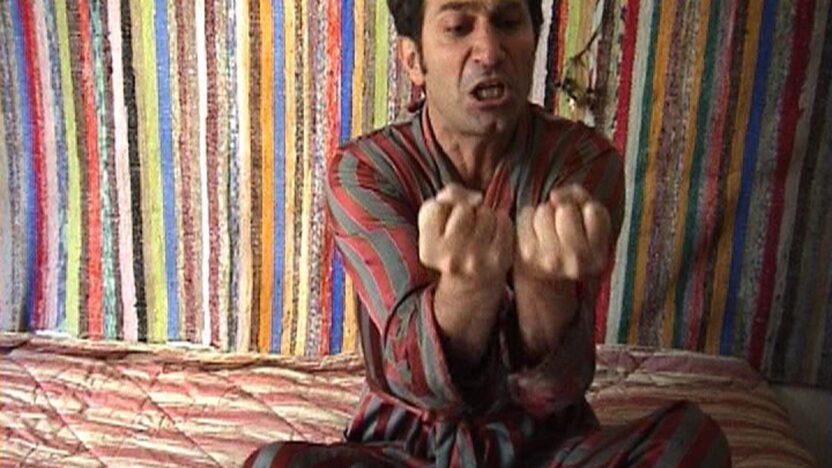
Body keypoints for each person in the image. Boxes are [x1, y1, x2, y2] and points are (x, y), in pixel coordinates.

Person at [246, 0, 731, 466]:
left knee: (691, 442)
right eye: (458, 27)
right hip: (403, 447)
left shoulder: (582, 162)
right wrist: (466, 287)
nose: (490, 50)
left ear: (534, 41)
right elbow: (415, 382)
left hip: (547, 448)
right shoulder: (366, 171)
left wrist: (543, 282)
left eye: (508, 22)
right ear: (414, 60)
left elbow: (558, 390)